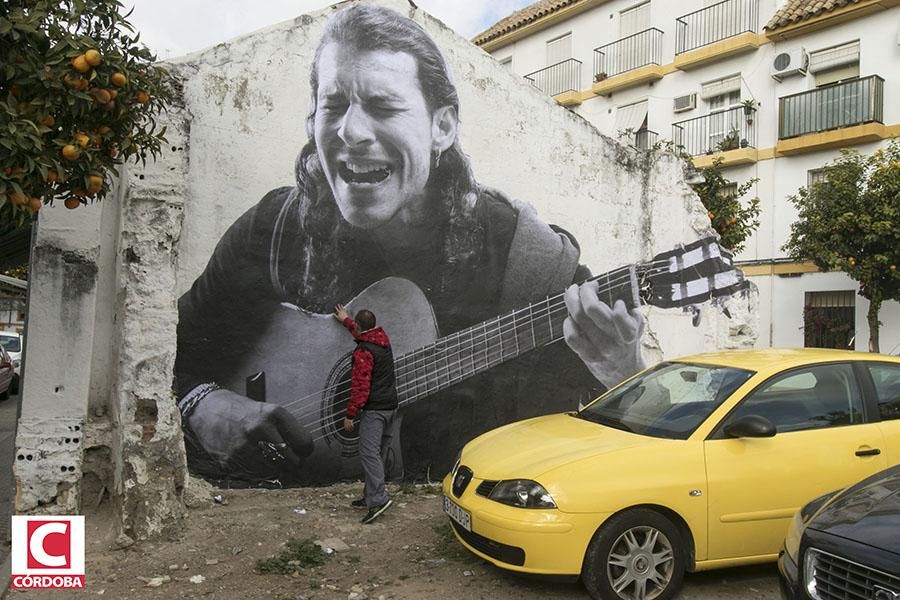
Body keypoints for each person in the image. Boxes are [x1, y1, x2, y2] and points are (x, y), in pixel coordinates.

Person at [175, 4, 645, 484]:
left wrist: (623, 371)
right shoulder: (271, 231)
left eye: (383, 106)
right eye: (334, 106)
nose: (351, 132)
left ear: (441, 126)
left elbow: (597, 450)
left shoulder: (527, 265)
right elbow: (163, 356)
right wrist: (200, 404)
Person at [333, 304, 397, 523]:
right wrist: (347, 321)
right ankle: (370, 495)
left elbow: (361, 388)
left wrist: (350, 415)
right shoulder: (382, 339)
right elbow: (363, 334)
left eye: (356, 327)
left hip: (375, 410)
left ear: (360, 327)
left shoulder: (363, 352)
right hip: (391, 406)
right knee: (377, 452)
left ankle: (378, 500)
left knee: (369, 454)